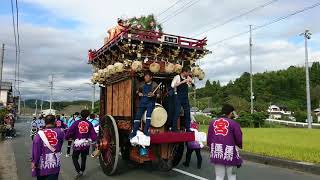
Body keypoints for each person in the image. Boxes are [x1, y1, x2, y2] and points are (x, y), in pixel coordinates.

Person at [207, 104, 243, 180]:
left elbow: (209, 138)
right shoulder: (234, 123)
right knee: (232, 176)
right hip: (230, 152)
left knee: (219, 176)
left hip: (217, 151)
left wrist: (211, 148)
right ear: (230, 113)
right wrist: (239, 145)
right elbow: (239, 138)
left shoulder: (213, 122)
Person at [65, 110, 97, 178]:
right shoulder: (89, 123)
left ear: (80, 115)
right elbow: (93, 134)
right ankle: (82, 171)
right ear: (88, 115)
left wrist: (67, 137)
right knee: (84, 158)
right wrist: (95, 141)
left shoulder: (76, 123)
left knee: (74, 157)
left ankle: (78, 171)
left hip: (78, 143)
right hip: (86, 143)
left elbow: (70, 131)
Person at [31, 115, 65, 180]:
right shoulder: (61, 132)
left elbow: (36, 150)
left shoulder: (39, 134)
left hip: (42, 165)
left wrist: (34, 162)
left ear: (45, 122)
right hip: (54, 163)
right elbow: (60, 145)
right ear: (54, 122)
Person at [130, 71, 159, 139]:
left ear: (151, 77)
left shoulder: (154, 84)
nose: (145, 77)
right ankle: (134, 132)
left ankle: (146, 131)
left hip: (150, 102)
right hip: (142, 102)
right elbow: (137, 91)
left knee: (148, 116)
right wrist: (139, 93)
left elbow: (159, 95)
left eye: (147, 76)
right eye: (145, 76)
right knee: (137, 116)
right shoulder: (142, 84)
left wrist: (153, 95)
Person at [171, 66, 193, 132]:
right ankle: (174, 128)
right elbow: (172, 85)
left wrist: (191, 82)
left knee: (187, 112)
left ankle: (188, 128)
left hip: (185, 97)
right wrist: (183, 82)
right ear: (184, 72)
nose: (189, 74)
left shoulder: (187, 78)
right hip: (178, 97)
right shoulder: (177, 77)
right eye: (188, 72)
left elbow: (192, 86)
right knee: (177, 112)